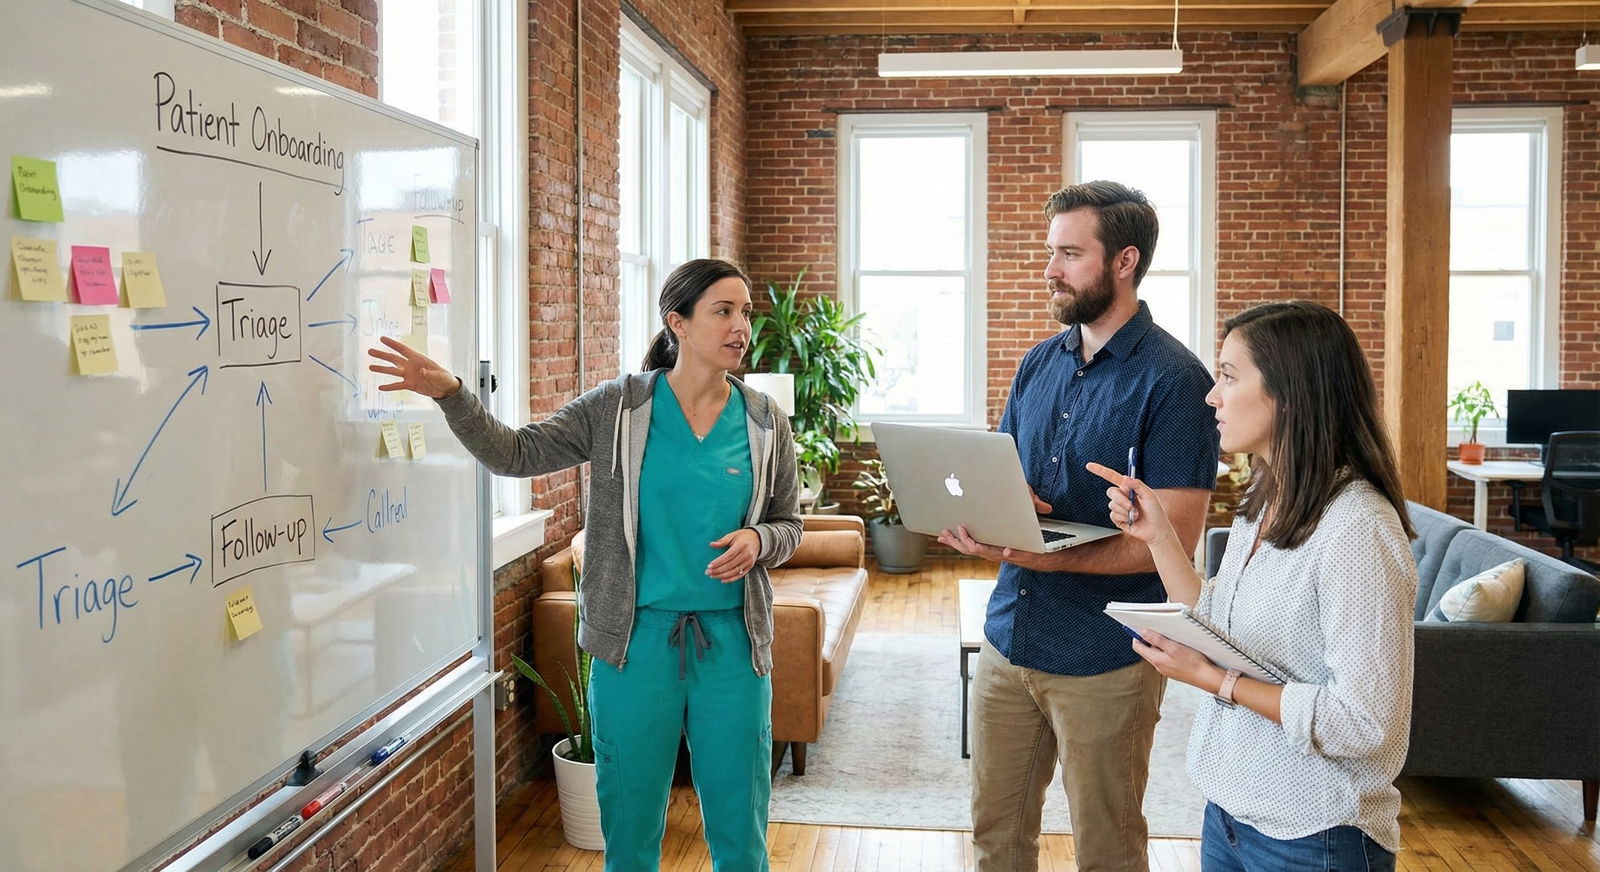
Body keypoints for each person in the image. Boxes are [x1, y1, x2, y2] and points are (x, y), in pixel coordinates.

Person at [368, 258, 802, 872]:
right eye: (724, 311)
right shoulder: (617, 410)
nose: (742, 327)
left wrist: (761, 540)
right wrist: (452, 395)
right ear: (677, 321)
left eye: (746, 312)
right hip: (632, 650)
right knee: (629, 832)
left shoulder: (764, 422)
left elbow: (789, 524)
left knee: (741, 833)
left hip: (734, 650)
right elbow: (516, 453)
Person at [939, 180, 1221, 872]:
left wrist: (1043, 558)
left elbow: (1171, 545)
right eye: (1050, 252)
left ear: (1123, 262)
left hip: (1108, 656)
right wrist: (998, 511)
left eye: (1069, 253)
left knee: (1108, 849)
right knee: (995, 840)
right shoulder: (1039, 362)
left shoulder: (1176, 380)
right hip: (1009, 638)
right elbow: (1014, 480)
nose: (1050, 270)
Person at [1088, 300, 1417, 871]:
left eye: (1229, 377)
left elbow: (1364, 724)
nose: (1211, 396)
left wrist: (1213, 680)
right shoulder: (1262, 500)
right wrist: (1159, 536)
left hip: (1316, 834)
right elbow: (1219, 621)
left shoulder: (1358, 527)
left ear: (1289, 393)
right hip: (1231, 813)